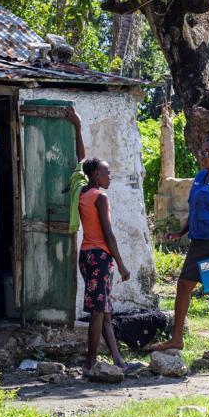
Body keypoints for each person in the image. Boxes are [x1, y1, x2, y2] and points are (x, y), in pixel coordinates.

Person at [145, 136, 209, 360]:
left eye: (208, 152)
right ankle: (176, 338)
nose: (202, 155)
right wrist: (180, 232)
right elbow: (194, 211)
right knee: (184, 285)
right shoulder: (199, 177)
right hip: (198, 241)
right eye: (201, 151)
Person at [77, 156, 141, 376]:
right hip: (99, 258)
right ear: (96, 174)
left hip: (86, 256)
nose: (109, 176)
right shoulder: (100, 198)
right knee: (98, 312)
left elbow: (81, 160)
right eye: (106, 172)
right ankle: (89, 364)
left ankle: (118, 361)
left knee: (104, 312)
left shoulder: (83, 194)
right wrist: (121, 264)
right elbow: (108, 234)